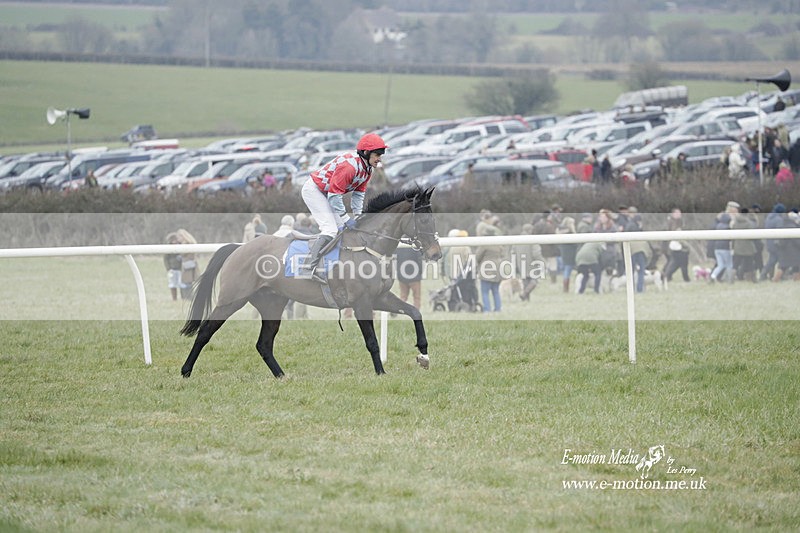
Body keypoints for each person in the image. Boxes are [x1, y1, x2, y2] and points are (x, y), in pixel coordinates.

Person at [300, 133, 387, 282]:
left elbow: (358, 195)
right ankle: (307, 268)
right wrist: (347, 218)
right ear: (366, 153)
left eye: (381, 155)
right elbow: (334, 196)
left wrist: (358, 217)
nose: (379, 159)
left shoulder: (367, 169)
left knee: (342, 230)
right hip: (314, 191)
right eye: (377, 154)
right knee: (330, 229)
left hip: (326, 193)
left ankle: (330, 267)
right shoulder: (349, 167)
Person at [475, 215, 505, 312]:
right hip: (498, 269)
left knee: (485, 291)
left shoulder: (484, 244)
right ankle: (498, 309)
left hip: (486, 269)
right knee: (496, 291)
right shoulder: (499, 244)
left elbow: (477, 257)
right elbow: (503, 254)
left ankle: (487, 309)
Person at [761, 203, 786, 281]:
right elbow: (780, 232)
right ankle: (776, 276)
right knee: (778, 260)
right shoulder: (778, 219)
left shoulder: (769, 217)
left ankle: (766, 275)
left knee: (772, 260)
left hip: (769, 242)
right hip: (776, 244)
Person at [163, 232, 182, 301]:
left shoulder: (181, 246)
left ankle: (183, 297)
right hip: (172, 269)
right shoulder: (168, 248)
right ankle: (174, 298)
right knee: (172, 284)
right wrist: (168, 268)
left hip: (180, 269)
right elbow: (165, 259)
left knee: (181, 284)